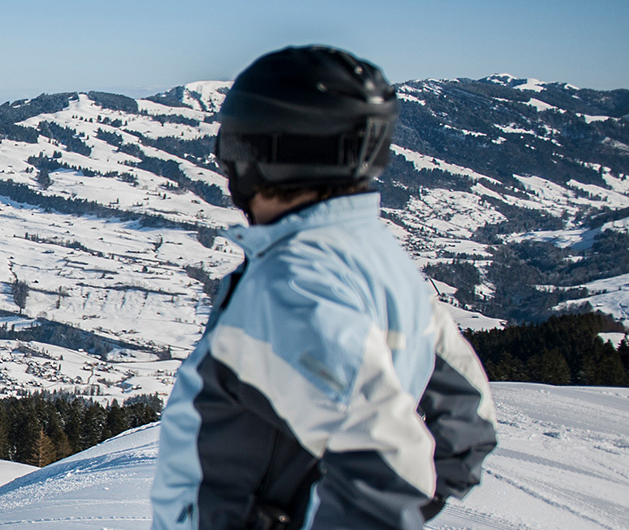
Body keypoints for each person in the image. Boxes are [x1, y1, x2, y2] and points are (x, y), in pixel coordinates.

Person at [150, 46, 499, 530]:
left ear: (272, 153)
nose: (226, 164)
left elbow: (391, 467)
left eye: (234, 145)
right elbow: (466, 422)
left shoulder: (291, 285)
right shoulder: (382, 262)